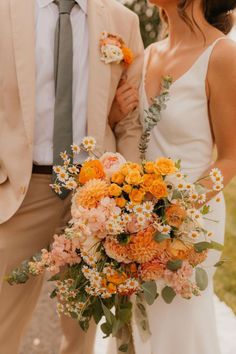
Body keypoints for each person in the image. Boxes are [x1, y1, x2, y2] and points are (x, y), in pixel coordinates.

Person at [0, 0, 144, 353]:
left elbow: (130, 122)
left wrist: (124, 196)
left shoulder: (122, 20)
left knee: (82, 330)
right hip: (21, 190)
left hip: (94, 196)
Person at [109, 1, 236, 353]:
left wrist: (174, 213)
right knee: (136, 326)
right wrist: (115, 114)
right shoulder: (149, 54)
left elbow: (230, 157)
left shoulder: (222, 55)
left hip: (192, 224)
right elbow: (135, 134)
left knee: (179, 329)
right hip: (136, 221)